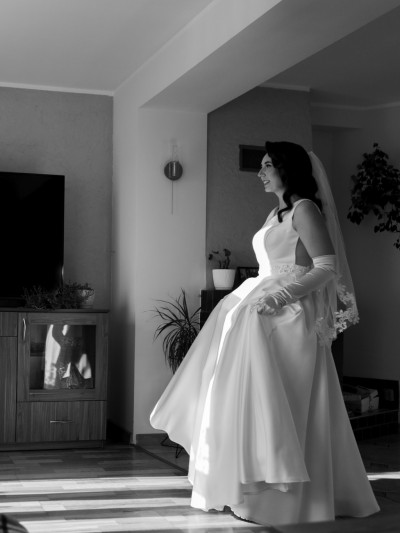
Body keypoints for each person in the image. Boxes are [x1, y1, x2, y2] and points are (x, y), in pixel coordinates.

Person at [150, 141, 379, 525]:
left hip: (287, 315)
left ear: (288, 169)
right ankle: (247, 491)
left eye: (268, 165)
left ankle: (284, 499)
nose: (260, 173)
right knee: (244, 396)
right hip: (260, 305)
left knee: (281, 401)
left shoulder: (305, 209)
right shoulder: (276, 213)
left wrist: (281, 296)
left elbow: (326, 267)